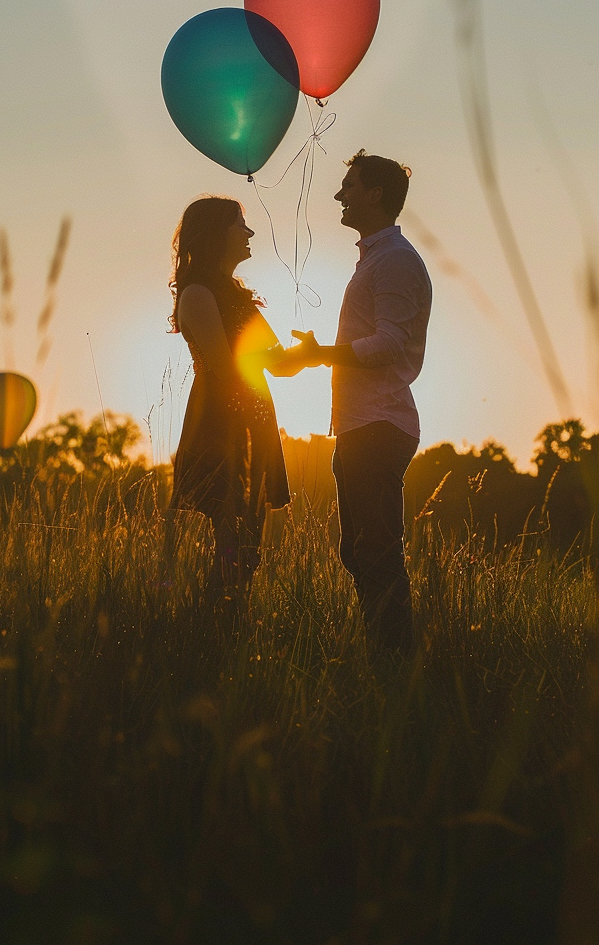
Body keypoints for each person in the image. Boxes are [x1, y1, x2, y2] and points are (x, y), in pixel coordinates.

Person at [291, 151, 432, 654]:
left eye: (348, 186)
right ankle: (385, 660)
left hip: (378, 425)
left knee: (376, 554)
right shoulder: (377, 258)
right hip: (359, 426)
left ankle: (395, 672)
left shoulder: (394, 261)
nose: (338, 195)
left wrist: (315, 356)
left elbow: (389, 343)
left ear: (375, 194)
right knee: (358, 552)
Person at [168, 195, 303, 615]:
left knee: (249, 549)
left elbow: (280, 364)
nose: (249, 234)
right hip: (220, 425)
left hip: (255, 419)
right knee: (235, 545)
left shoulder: (238, 296)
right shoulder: (198, 293)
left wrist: (332, 353)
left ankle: (222, 628)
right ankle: (211, 632)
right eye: (240, 225)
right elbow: (226, 371)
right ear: (215, 234)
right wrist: (271, 355)